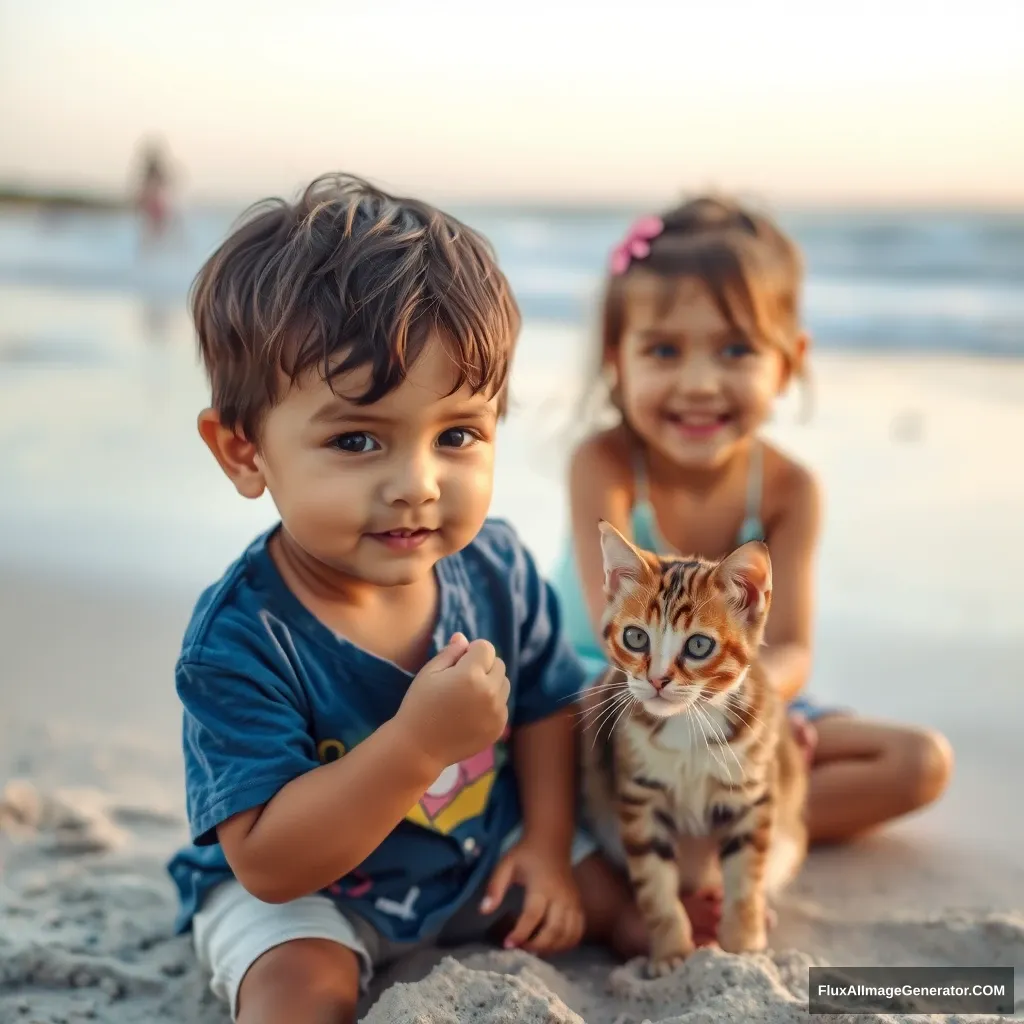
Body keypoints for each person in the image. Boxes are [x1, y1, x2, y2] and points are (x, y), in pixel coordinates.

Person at [165, 174, 641, 1024]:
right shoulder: (241, 640)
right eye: (356, 439)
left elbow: (543, 704)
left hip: (476, 856)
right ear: (243, 452)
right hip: (316, 897)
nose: (417, 485)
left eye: (457, 435)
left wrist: (543, 848)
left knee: (639, 908)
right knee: (297, 995)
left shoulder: (493, 567)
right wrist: (419, 744)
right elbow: (271, 862)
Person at [550, 196, 954, 943]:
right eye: (664, 351)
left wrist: (764, 716)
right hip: (608, 697)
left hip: (734, 693)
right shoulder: (603, 464)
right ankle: (701, 857)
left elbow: (792, 646)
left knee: (919, 762)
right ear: (617, 359)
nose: (700, 383)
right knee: (545, 746)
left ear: (789, 360)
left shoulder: (790, 490)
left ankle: (707, 852)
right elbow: (609, 637)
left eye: (736, 350)